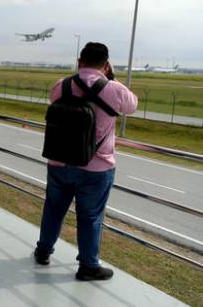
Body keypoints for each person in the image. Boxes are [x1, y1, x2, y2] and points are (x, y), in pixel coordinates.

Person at [34, 42, 138, 281]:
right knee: (90, 217)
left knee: (53, 209)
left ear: (79, 61)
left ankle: (43, 251)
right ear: (106, 64)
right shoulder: (114, 89)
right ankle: (88, 265)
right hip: (96, 167)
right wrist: (110, 78)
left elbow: (54, 102)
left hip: (59, 162)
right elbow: (132, 104)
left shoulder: (61, 85)